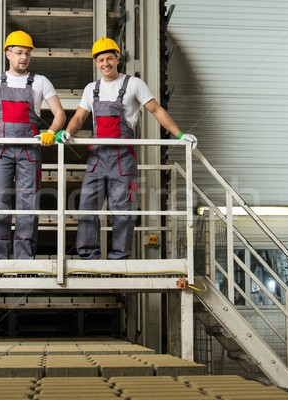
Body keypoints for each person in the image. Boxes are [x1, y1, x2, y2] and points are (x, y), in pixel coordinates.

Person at [57, 37, 197, 260]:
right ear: (96, 62)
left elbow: (156, 110)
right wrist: (68, 131)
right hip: (97, 156)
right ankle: (88, 257)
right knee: (86, 207)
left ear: (117, 58)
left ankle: (119, 258)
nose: (106, 63)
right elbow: (79, 117)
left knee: (122, 210)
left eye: (109, 58)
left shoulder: (133, 84)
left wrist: (179, 134)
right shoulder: (91, 89)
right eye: (101, 60)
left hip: (123, 158)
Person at [0, 30, 65, 259]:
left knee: (28, 205)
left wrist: (51, 132)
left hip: (29, 150)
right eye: (18, 53)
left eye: (27, 53)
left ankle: (24, 259)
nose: (23, 58)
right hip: (2, 150)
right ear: (8, 54)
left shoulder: (40, 82)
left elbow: (59, 114)